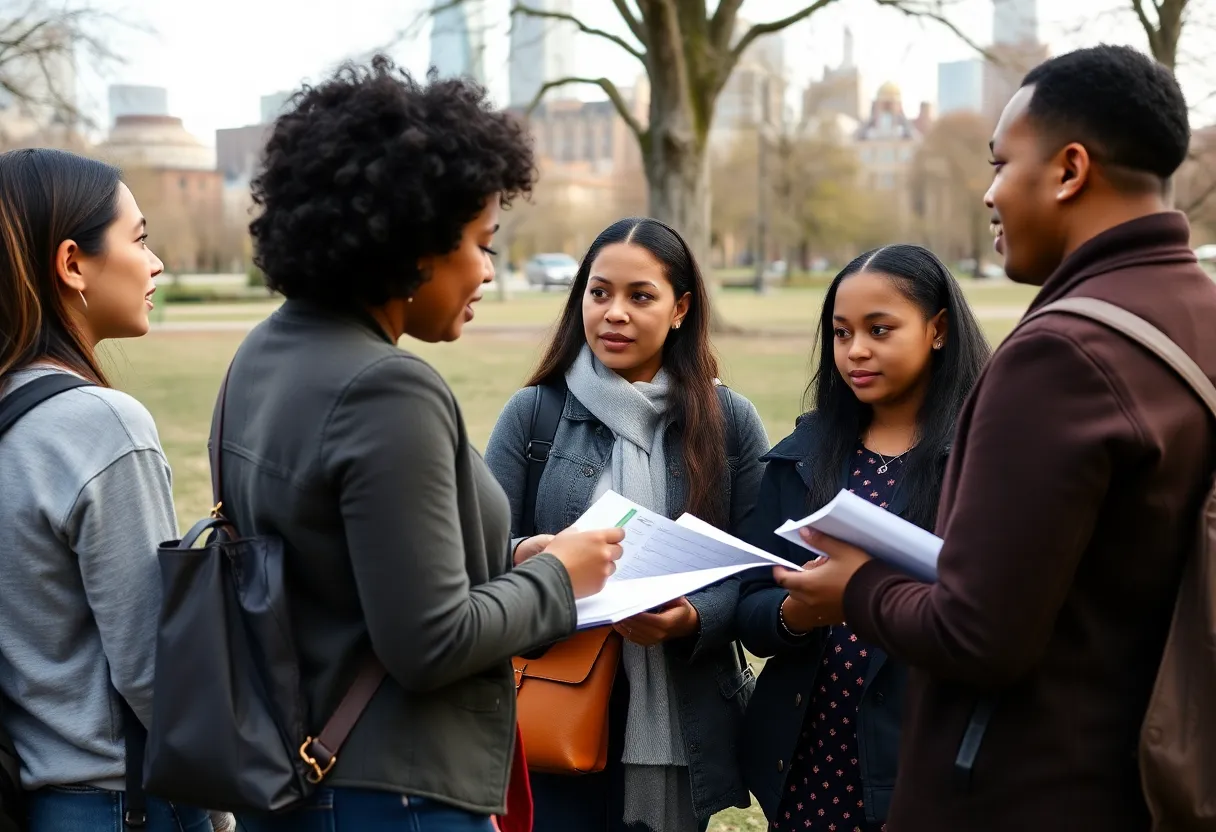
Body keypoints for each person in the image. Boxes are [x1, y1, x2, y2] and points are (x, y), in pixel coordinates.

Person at [773, 45, 1216, 831]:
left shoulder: (1061, 355)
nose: (988, 193)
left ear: (1070, 169)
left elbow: (978, 634)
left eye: (1001, 163)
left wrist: (856, 588)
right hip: (1156, 772)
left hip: (1033, 788)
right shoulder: (1199, 317)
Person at [219, 59, 625, 832]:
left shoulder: (263, 355)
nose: (487, 271)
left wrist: (502, 561)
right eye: (482, 242)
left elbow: (342, 565)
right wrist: (562, 579)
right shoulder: (389, 389)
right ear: (411, 247)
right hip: (391, 790)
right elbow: (429, 641)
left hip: (298, 770)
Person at [484, 217, 770, 832]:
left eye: (640, 296)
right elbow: (474, 557)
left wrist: (694, 616)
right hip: (555, 702)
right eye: (599, 292)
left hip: (684, 709)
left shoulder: (730, 423)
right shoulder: (533, 413)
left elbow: (759, 571)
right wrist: (536, 553)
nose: (614, 313)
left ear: (680, 309)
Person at [735, 245, 990, 832]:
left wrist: (867, 594)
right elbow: (747, 603)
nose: (856, 351)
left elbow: (993, 618)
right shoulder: (802, 456)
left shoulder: (982, 461)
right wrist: (796, 613)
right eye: (841, 332)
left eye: (880, 330)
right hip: (807, 762)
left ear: (938, 330)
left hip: (923, 764)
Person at [0, 149, 211, 831]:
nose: (154, 265)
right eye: (140, 239)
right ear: (71, 263)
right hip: (120, 804)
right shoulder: (101, 425)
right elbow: (156, 669)